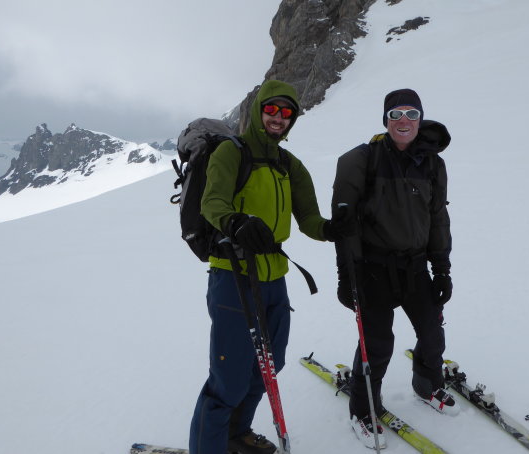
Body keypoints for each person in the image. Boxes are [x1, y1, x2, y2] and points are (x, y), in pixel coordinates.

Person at [188, 79, 353, 454]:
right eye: (272, 109)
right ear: (259, 110)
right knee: (228, 377)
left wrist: (330, 229)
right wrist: (236, 223)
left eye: (286, 112)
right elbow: (212, 203)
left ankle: (235, 434)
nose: (278, 117)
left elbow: (308, 219)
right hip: (233, 275)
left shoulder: (289, 165)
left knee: (267, 367)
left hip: (275, 278)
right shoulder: (231, 153)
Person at [331, 88, 459, 449]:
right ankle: (363, 409)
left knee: (432, 333)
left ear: (420, 119)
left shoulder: (432, 164)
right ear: (385, 119)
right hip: (373, 269)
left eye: (412, 114)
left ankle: (426, 383)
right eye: (396, 114)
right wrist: (346, 275)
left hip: (415, 268)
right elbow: (344, 224)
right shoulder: (360, 160)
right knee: (377, 344)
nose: (404, 120)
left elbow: (438, 218)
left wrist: (442, 269)